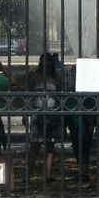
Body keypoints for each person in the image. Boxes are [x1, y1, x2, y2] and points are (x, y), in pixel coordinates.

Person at [26, 53, 63, 182]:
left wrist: (58, 107)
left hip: (53, 115)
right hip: (37, 114)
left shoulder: (56, 78)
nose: (46, 65)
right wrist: (26, 114)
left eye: (48, 62)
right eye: (43, 62)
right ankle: (27, 175)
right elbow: (27, 96)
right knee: (35, 146)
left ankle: (47, 175)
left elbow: (61, 96)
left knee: (50, 146)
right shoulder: (33, 76)